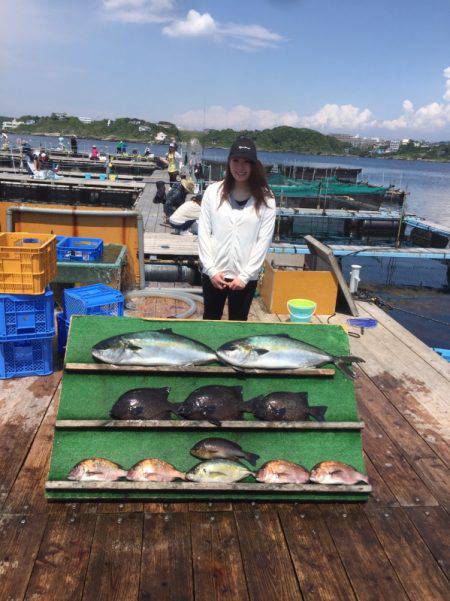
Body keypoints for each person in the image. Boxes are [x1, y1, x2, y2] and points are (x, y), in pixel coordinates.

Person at [198, 137, 276, 321]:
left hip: (245, 278)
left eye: (246, 162)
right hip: (214, 274)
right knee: (210, 320)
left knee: (239, 323)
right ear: (229, 162)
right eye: (236, 161)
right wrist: (210, 269)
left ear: (254, 165)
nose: (240, 168)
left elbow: (263, 241)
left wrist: (246, 276)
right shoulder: (213, 192)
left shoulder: (267, 199)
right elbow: (204, 232)